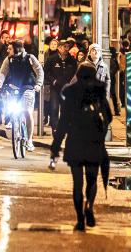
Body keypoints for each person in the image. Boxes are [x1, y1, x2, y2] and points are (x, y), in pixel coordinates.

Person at [50, 62, 112, 231]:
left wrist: (55, 147)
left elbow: (63, 123)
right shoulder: (99, 91)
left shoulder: (70, 93)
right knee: (92, 180)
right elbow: (108, 116)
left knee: (77, 184)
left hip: (75, 142)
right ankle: (89, 206)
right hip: (94, 142)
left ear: (77, 75)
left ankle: (80, 220)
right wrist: (100, 131)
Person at [0, 40, 44, 152]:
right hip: (14, 87)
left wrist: (38, 84)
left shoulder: (30, 58)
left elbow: (39, 71)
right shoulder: (8, 59)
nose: (7, 51)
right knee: (8, 103)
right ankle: (11, 120)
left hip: (28, 87)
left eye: (10, 49)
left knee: (27, 111)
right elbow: (2, 73)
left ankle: (29, 140)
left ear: (16, 49)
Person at [43, 41, 77, 130]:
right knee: (54, 107)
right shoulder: (52, 59)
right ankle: (55, 128)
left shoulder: (72, 60)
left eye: (68, 47)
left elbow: (76, 73)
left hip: (67, 88)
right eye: (64, 47)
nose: (66, 49)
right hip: (55, 87)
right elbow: (45, 72)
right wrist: (53, 81)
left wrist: (72, 83)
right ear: (59, 48)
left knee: (65, 109)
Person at [108, 46, 122, 116]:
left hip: (110, 79)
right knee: (113, 95)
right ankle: (116, 110)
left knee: (111, 94)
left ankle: (115, 110)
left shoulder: (111, 60)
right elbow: (117, 69)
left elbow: (113, 70)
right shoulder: (114, 60)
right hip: (112, 79)